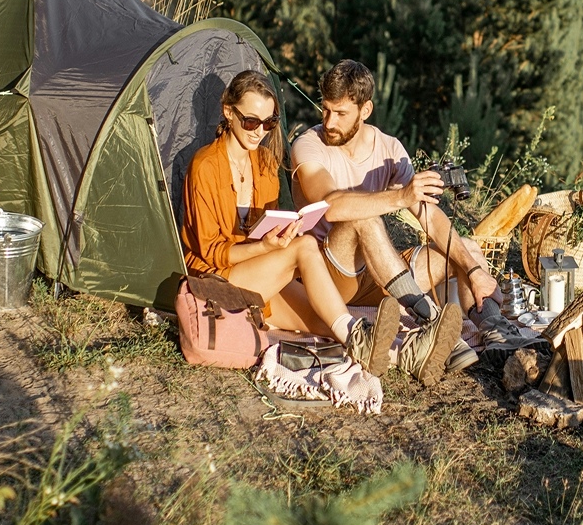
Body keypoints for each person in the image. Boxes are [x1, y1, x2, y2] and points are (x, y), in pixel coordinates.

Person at [291, 60, 527, 387]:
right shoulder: (308, 145)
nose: (329, 122)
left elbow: (430, 217)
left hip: (377, 272)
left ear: (366, 109)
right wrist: (401, 197)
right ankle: (431, 319)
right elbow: (330, 206)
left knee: (465, 250)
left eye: (341, 113)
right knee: (365, 217)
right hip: (330, 271)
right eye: (326, 110)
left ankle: (493, 331)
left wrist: (473, 270)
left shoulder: (389, 148)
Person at [180, 69, 416, 377]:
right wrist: (268, 246)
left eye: (269, 122)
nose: (258, 131)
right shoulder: (205, 166)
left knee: (326, 320)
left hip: (258, 273)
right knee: (305, 247)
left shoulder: (265, 163)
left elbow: (265, 230)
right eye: (250, 121)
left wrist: (279, 238)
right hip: (214, 279)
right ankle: (360, 337)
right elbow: (212, 252)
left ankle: (405, 354)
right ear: (228, 112)